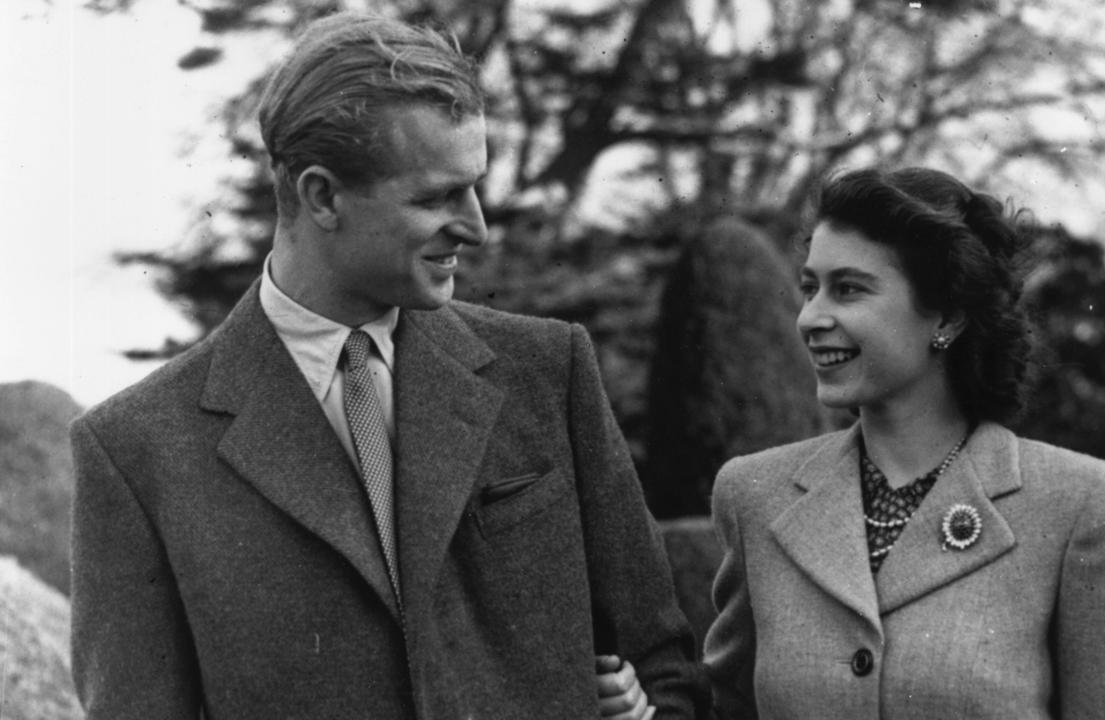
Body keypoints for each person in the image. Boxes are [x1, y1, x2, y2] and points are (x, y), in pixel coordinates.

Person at [69, 13, 704, 720]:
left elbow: (668, 670)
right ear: (321, 196)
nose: (476, 226)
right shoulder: (136, 451)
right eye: (435, 197)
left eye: (474, 187)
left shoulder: (548, 372)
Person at [700, 167, 1105, 718]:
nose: (809, 318)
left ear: (947, 313)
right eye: (809, 288)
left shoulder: (1092, 507)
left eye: (848, 289)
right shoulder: (755, 494)